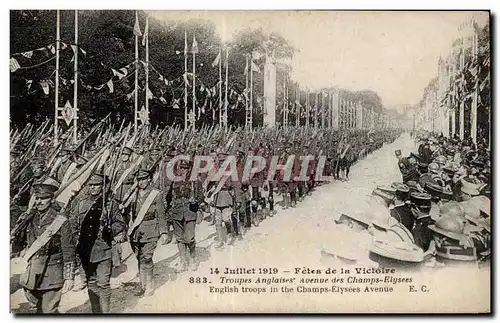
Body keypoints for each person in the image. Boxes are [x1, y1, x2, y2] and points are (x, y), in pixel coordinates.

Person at [14, 178, 75, 313]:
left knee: (49, 310)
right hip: (32, 271)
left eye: (44, 198)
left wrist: (69, 276)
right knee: (34, 308)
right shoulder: (30, 217)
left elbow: (68, 250)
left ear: (52, 199)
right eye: (37, 198)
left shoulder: (61, 221)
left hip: (52, 270)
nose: (39, 201)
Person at [68, 174, 126, 313]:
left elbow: (120, 223)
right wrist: (77, 239)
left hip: (103, 249)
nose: (93, 187)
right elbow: (72, 223)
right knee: (91, 283)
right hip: (85, 250)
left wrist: (110, 228)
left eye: (97, 185)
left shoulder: (110, 204)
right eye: (91, 185)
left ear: (102, 186)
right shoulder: (81, 203)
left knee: (103, 283)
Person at [127, 169, 169, 296]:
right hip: (135, 230)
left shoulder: (155, 194)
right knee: (139, 257)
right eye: (139, 180)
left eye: (144, 179)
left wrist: (164, 232)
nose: (141, 182)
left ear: (149, 179)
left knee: (147, 257)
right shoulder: (133, 194)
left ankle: (149, 284)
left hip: (151, 229)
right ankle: (142, 284)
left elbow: (161, 214)